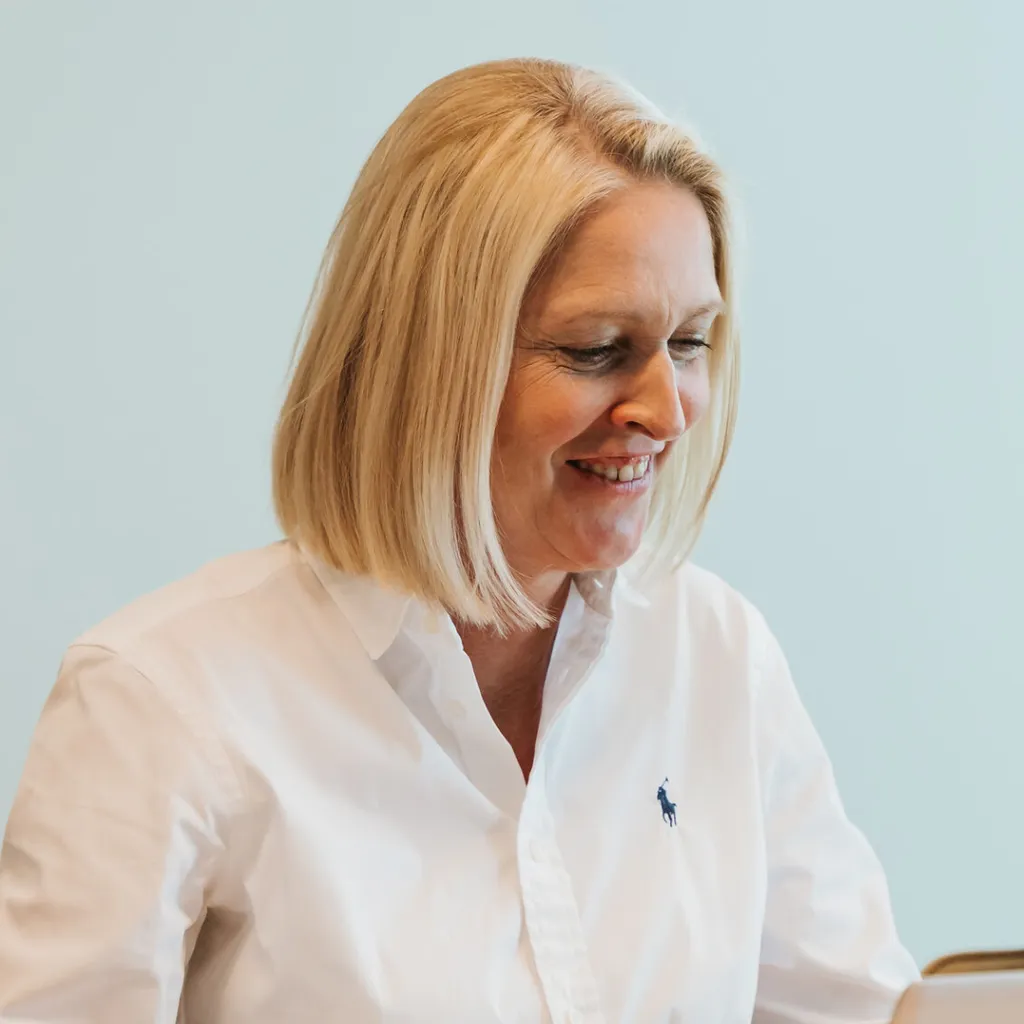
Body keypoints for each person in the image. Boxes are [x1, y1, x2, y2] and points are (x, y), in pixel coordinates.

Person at [0, 58, 919, 1022]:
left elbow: (857, 1008)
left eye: (689, 343)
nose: (667, 410)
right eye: (598, 349)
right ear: (425, 361)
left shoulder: (719, 658)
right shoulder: (161, 702)